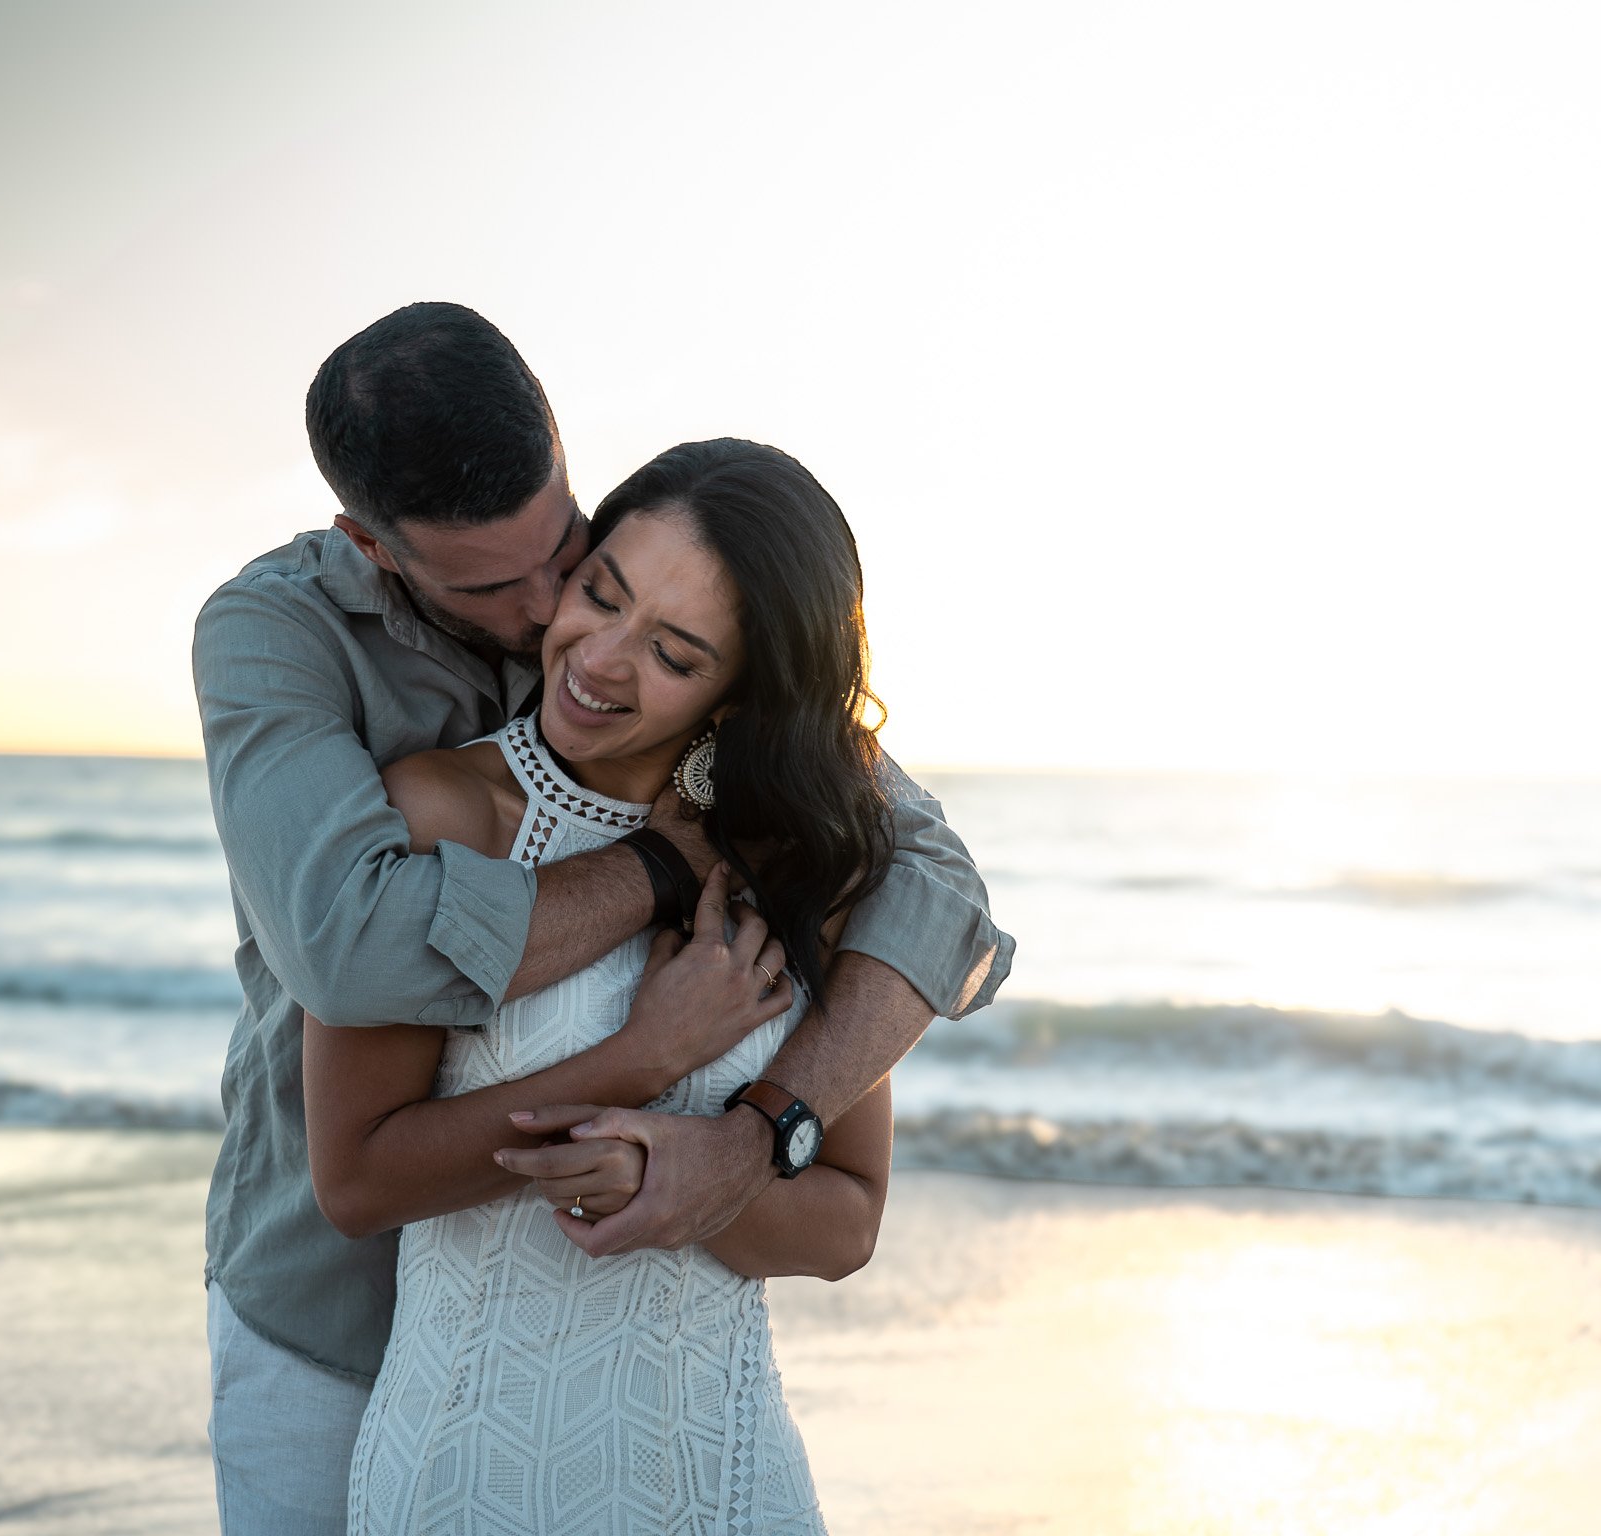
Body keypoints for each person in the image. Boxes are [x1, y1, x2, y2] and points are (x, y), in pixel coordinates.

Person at [193, 303, 1012, 1534]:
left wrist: (740, 1149)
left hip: (691, 1439)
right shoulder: (278, 642)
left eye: (566, 552)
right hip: (328, 1312)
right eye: (491, 583)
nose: (549, 618)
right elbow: (356, 957)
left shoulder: (690, 673)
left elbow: (932, 886)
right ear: (371, 544)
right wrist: (661, 890)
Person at [305, 438, 894, 1533]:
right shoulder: (440, 815)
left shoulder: (793, 857)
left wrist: (697, 1181)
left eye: (672, 652)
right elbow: (357, 1181)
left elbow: (848, 1216)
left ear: (740, 692)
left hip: (724, 1480)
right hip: (471, 1475)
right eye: (600, 593)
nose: (599, 658)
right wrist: (639, 1061)